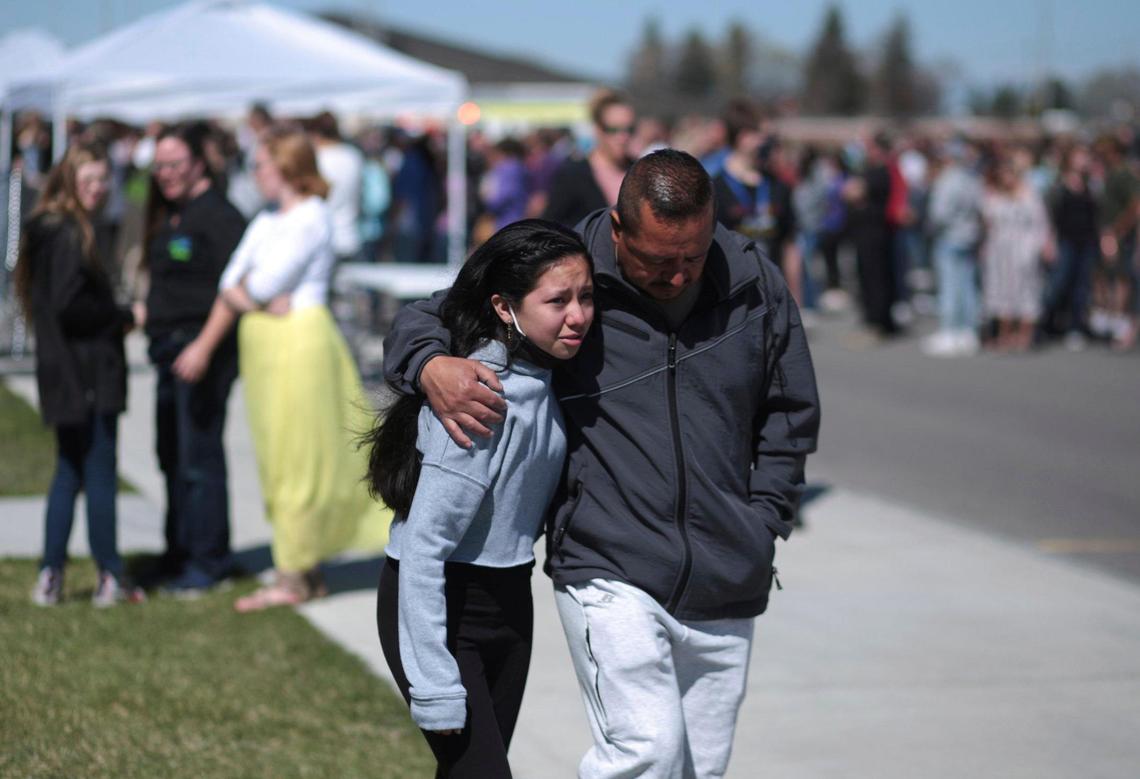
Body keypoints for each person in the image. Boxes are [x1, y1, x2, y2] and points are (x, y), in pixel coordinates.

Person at [384, 150, 821, 778]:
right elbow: (433, 313)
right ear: (618, 230)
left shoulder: (754, 283)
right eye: (656, 261)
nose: (675, 277)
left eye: (692, 259)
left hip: (729, 567)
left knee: (699, 769)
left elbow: (790, 411)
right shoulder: (572, 274)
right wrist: (430, 364)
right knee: (644, 753)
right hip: (608, 561)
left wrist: (763, 521)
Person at [371, 219, 594, 777]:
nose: (578, 316)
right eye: (557, 300)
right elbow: (424, 549)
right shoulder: (479, 396)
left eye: (587, 297)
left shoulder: (546, 375)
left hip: (509, 601)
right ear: (503, 306)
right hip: (443, 605)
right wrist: (435, 684)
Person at [183, 128, 390, 610]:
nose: (255, 175)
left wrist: (247, 294)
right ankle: (303, 567)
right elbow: (233, 280)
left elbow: (260, 285)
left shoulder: (310, 218)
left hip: (298, 346)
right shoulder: (269, 217)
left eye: (262, 166)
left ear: (288, 168)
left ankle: (293, 572)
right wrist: (248, 294)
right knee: (278, 457)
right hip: (268, 348)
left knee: (299, 458)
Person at [15, 141, 145, 607]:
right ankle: (108, 573)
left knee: (70, 470)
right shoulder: (67, 232)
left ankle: (51, 574)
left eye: (102, 179)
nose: (96, 188)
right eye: (86, 180)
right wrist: (122, 315)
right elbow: (72, 306)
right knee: (96, 470)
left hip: (67, 371)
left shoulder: (54, 228)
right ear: (68, 181)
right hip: (86, 371)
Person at [139, 121, 247, 593]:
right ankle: (178, 551)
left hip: (202, 352)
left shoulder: (219, 216)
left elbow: (237, 290)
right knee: (170, 454)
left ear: (198, 164)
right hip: (167, 351)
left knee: (198, 459)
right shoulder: (171, 213)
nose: (165, 174)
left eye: (175, 165)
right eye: (159, 166)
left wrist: (202, 346)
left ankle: (208, 562)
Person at [980, 155, 1054, 352]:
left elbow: (1041, 223)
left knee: (1026, 289)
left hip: (1024, 248)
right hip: (1000, 250)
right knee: (1002, 290)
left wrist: (1043, 245)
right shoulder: (994, 196)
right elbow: (988, 222)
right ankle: (1004, 334)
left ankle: (1024, 335)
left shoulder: (1029, 195)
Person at [924, 139, 984, 357]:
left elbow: (939, 214)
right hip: (968, 236)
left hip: (950, 237)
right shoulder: (971, 179)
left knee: (950, 284)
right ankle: (968, 331)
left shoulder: (948, 180)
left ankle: (950, 330)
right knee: (967, 284)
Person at [543, 89, 634, 228]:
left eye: (629, 129)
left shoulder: (639, 171)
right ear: (598, 129)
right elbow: (549, 225)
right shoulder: (573, 173)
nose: (623, 137)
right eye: (613, 130)